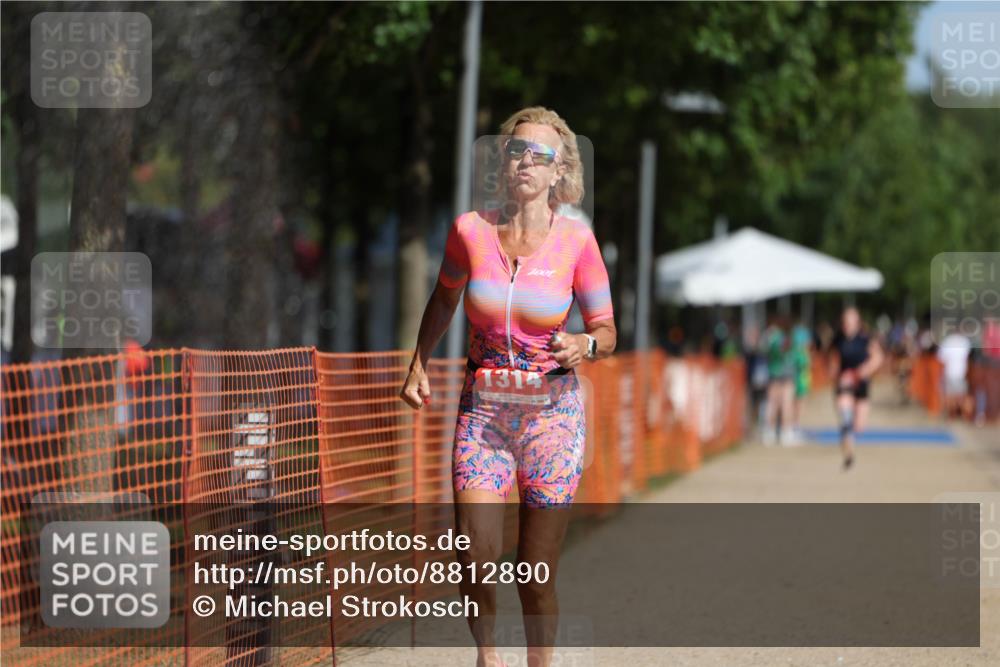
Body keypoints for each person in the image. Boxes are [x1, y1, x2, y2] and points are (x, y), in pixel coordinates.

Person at [399, 106, 615, 667]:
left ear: (558, 170)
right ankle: (488, 655)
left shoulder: (577, 244)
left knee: (535, 574)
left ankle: (539, 661)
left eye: (538, 154)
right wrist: (418, 362)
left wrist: (586, 346)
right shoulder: (470, 232)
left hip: (552, 419)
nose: (524, 161)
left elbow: (606, 330)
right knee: (475, 553)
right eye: (516, 150)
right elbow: (445, 297)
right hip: (485, 416)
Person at [829, 307, 884, 470]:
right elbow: (832, 361)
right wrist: (838, 376)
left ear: (857, 323)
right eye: (845, 322)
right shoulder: (837, 339)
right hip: (844, 384)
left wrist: (863, 371)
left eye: (850, 322)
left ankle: (850, 435)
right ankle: (849, 455)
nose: (847, 326)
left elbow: (878, 358)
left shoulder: (865, 339)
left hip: (861, 384)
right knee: (846, 421)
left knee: (859, 426)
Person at [763, 316, 795, 446]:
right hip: (782, 374)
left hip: (775, 373)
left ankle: (772, 431)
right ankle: (783, 431)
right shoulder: (778, 337)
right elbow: (783, 349)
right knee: (783, 403)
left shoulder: (770, 337)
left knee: (774, 403)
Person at [937, 331, 971, 420]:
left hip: (949, 372)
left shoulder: (947, 341)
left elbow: (941, 358)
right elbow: (967, 357)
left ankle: (952, 415)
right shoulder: (965, 341)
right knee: (962, 395)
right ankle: (963, 415)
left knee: (950, 396)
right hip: (961, 373)